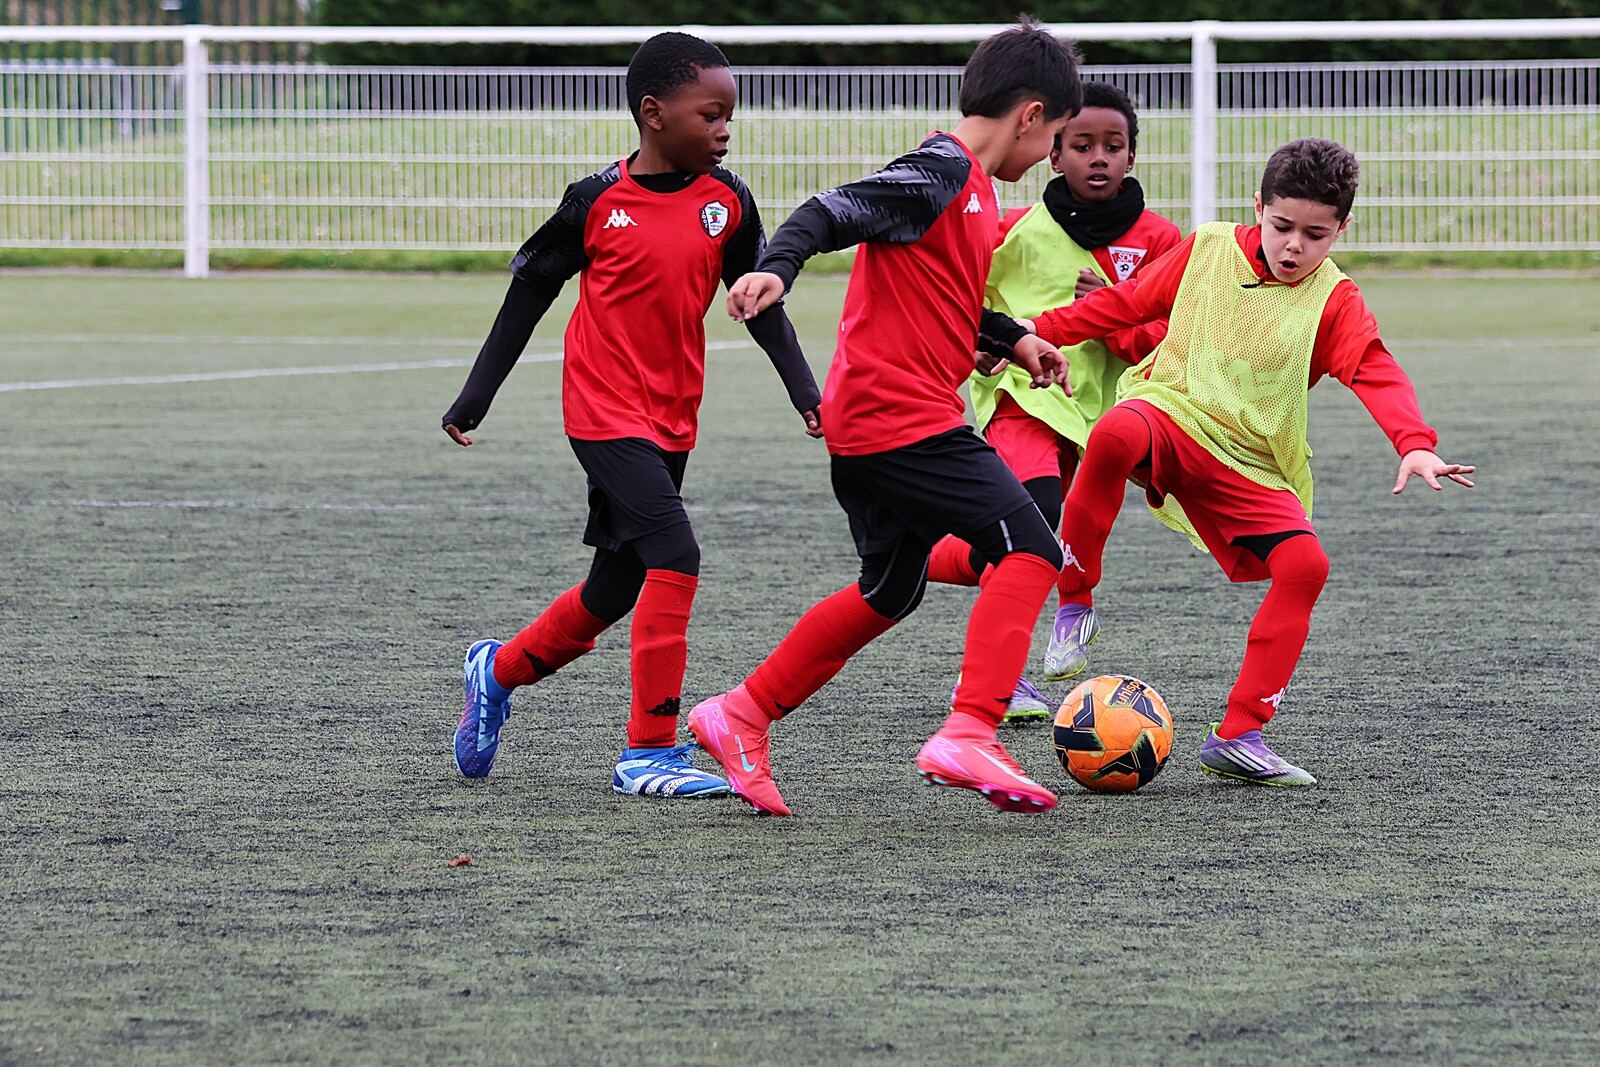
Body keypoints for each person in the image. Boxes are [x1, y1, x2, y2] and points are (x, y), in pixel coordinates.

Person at [685, 21, 1083, 816]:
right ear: (1032, 116)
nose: (1048, 158)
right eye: (1056, 139)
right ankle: (971, 728)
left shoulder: (972, 190)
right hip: (900, 416)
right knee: (1033, 548)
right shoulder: (941, 169)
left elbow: (945, 296)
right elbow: (829, 210)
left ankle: (741, 713)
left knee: (890, 590)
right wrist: (776, 267)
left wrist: (1014, 338)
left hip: (878, 420)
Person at [1019, 137, 1475, 785]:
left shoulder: (1336, 300)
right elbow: (1126, 304)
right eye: (1282, 226)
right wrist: (1034, 329)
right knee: (1115, 432)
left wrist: (1414, 442)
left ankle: (1240, 734)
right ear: (1258, 207)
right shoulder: (1207, 248)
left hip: (1249, 459)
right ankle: (1075, 600)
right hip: (1171, 413)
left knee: (1305, 566)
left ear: (1342, 229)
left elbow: (1375, 369)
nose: (1294, 247)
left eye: (1315, 235)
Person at [443, 32, 822, 798]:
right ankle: (648, 752)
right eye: (710, 115)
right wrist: (476, 394)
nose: (724, 130)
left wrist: (805, 391)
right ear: (654, 113)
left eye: (729, 117)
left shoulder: (728, 201)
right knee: (677, 553)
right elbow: (530, 292)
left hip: (672, 414)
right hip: (601, 409)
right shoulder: (595, 200)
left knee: (614, 589)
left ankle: (498, 671)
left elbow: (756, 301)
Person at [924, 81, 1183, 721]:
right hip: (1026, 396)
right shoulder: (1014, 230)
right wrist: (980, 346)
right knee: (1033, 514)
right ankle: (997, 678)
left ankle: (922, 554)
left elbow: (1173, 339)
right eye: (1082, 144)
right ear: (1054, 154)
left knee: (1028, 539)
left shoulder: (1161, 241)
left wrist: (1114, 316)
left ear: (1132, 156)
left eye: (1113, 146)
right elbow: (964, 301)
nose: (1099, 157)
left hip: (1105, 416)